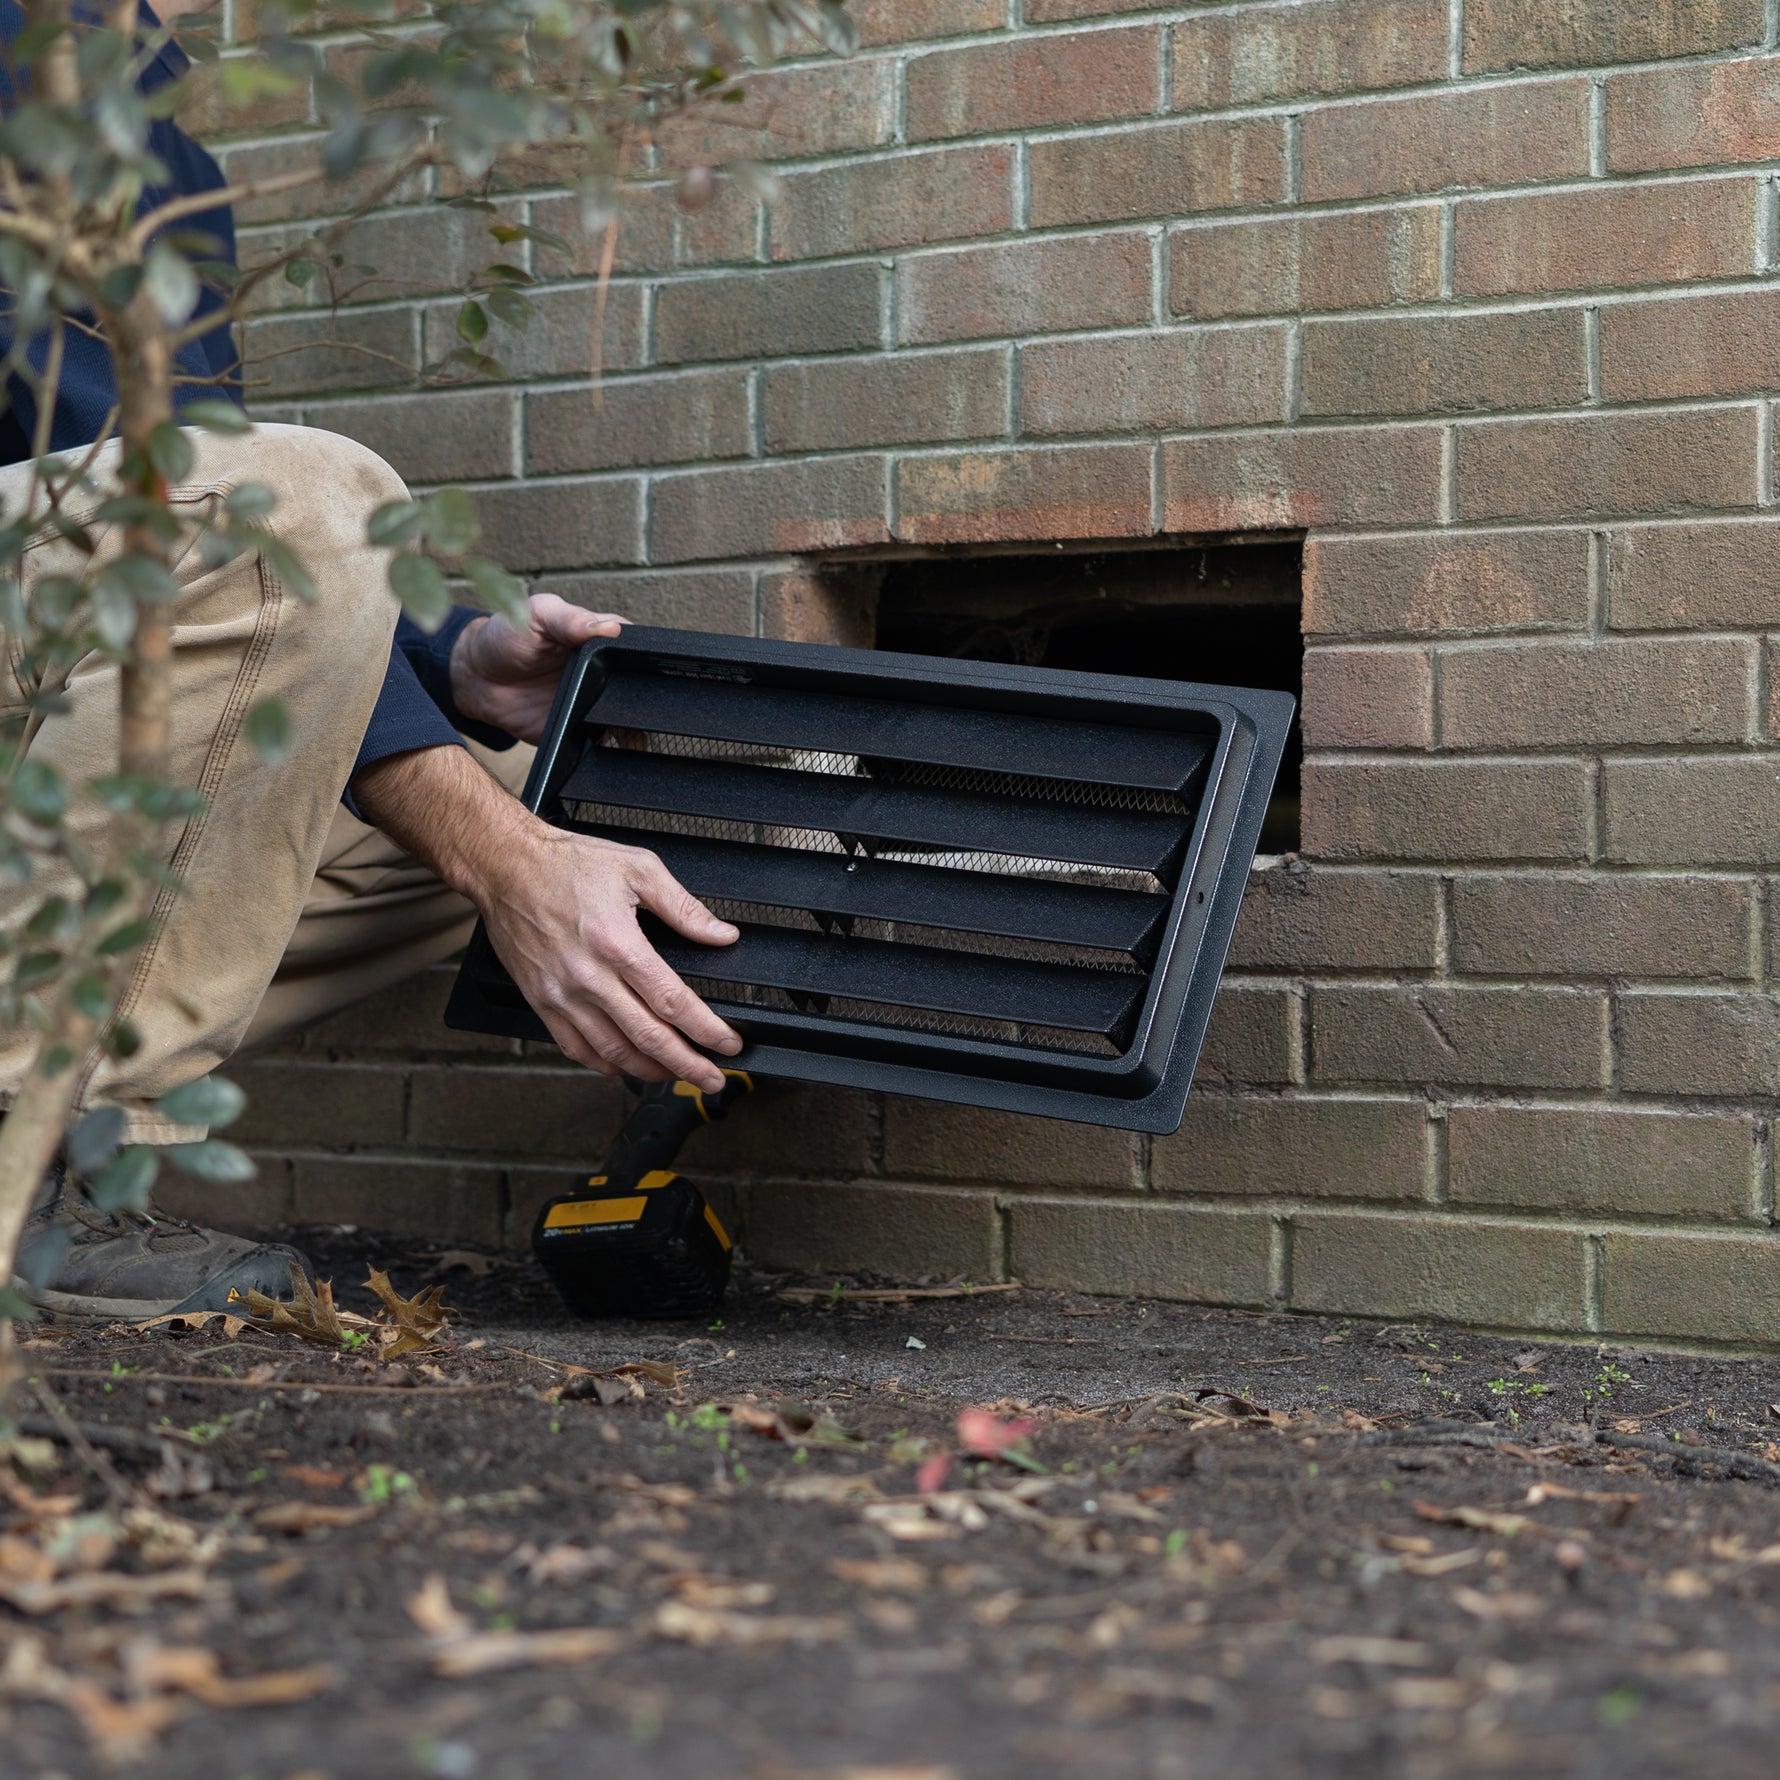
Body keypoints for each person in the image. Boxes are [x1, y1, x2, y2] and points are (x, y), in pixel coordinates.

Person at [2, 0, 743, 1320]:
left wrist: (444, 667)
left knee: (493, 791)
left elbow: (159, 527)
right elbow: (201, 534)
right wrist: (506, 864)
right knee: (304, 507)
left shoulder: (141, 109)